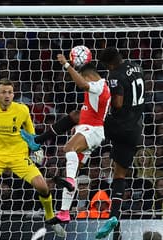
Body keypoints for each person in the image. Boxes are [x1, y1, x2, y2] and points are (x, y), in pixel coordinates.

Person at [0, 79, 65, 240]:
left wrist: (36, 148)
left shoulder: (22, 110)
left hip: (19, 155)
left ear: (14, 94)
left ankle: (51, 218)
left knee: (43, 187)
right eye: (3, 92)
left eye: (10, 92)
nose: (7, 95)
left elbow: (31, 132)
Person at [22, 55, 111, 225]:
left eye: (83, 76)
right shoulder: (99, 88)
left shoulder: (98, 86)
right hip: (89, 130)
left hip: (92, 131)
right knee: (73, 169)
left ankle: (69, 180)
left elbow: (82, 83)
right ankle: (64, 212)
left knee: (67, 148)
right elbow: (85, 111)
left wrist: (66, 65)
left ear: (89, 76)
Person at [96, 47, 145, 239]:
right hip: (135, 128)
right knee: (119, 175)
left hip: (118, 125)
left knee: (84, 120)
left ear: (109, 64)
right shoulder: (137, 67)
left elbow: (117, 103)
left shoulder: (115, 75)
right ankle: (114, 216)